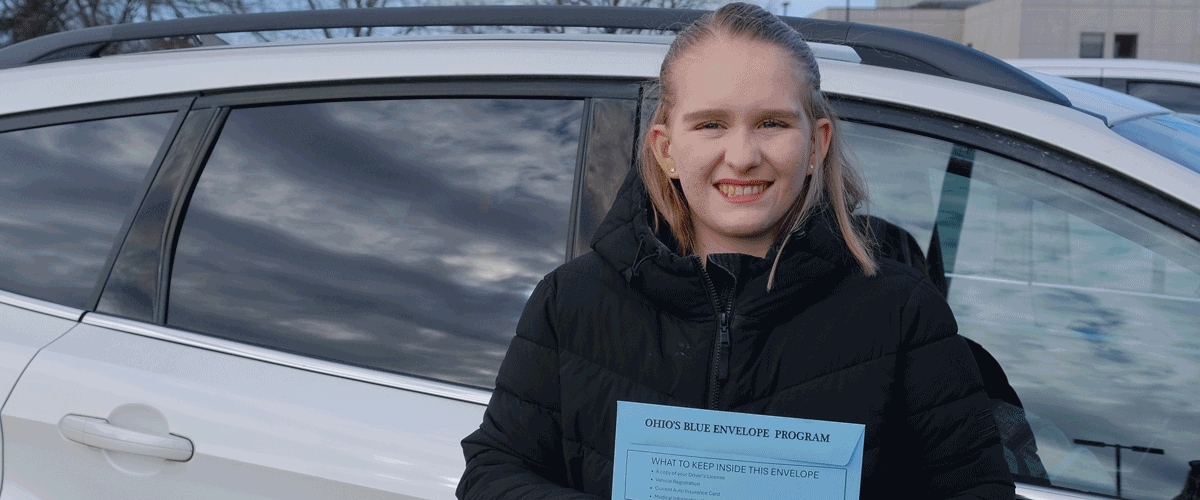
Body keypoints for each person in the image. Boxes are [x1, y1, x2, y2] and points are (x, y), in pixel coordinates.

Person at [456, 3, 1015, 499]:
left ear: (817, 143)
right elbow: (492, 472)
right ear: (667, 148)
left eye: (772, 122)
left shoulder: (903, 316)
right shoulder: (571, 302)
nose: (742, 155)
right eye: (711, 125)